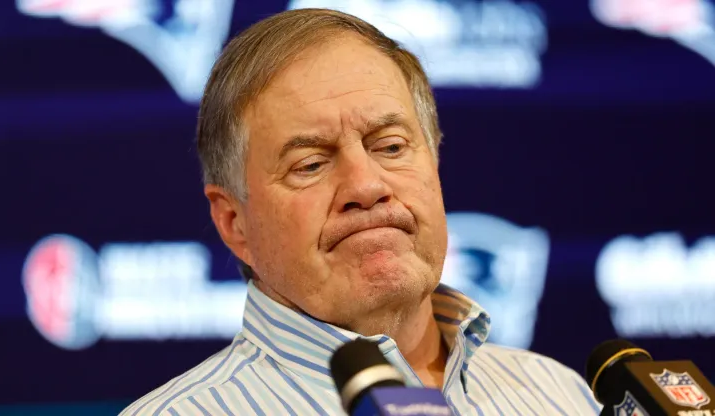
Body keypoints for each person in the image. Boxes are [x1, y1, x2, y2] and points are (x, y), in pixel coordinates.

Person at [121, 8, 601, 415]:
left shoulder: (559, 395)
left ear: (434, 165)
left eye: (391, 146)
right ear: (234, 223)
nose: (367, 186)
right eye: (310, 164)